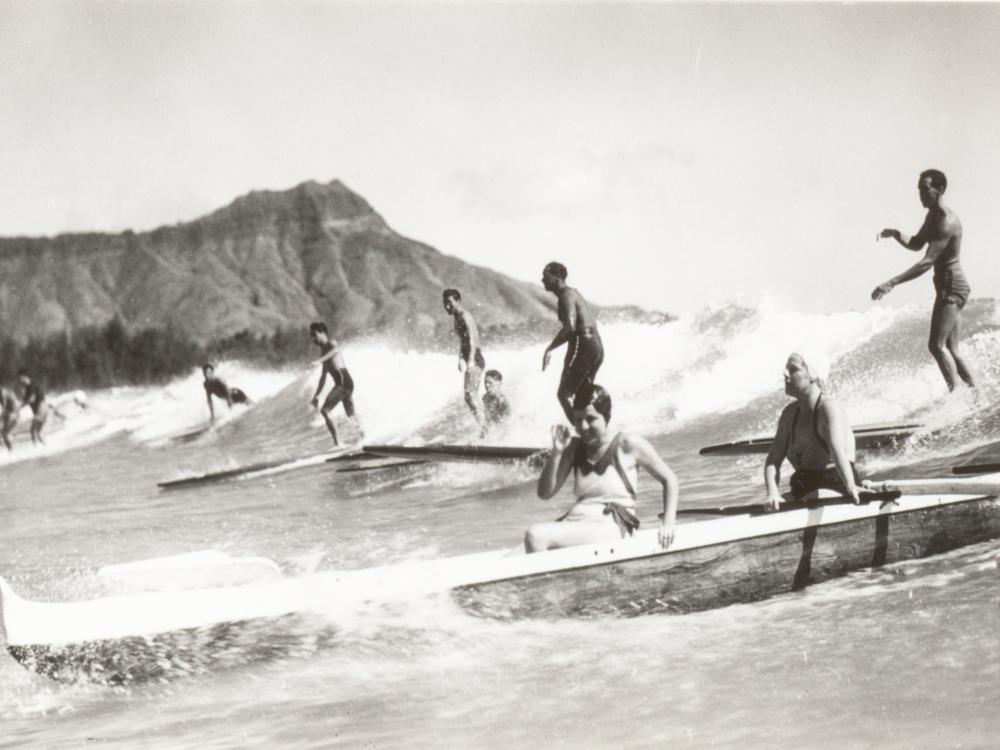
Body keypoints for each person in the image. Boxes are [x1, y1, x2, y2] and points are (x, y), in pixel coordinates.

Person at [525, 384, 678, 553]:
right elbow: (545, 493)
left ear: (606, 417)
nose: (583, 427)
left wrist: (668, 524)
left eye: (590, 419)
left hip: (613, 525)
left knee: (535, 536)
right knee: (516, 554)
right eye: (577, 420)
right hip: (577, 523)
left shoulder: (627, 444)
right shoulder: (574, 447)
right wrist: (557, 452)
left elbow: (670, 480)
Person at [872, 169, 976, 391]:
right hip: (951, 284)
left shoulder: (946, 221)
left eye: (924, 189)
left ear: (939, 189)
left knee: (936, 346)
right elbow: (918, 243)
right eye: (919, 189)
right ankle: (977, 394)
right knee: (951, 347)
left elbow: (926, 262)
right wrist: (897, 234)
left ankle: (957, 395)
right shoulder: (932, 216)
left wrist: (891, 282)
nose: (920, 194)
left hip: (951, 284)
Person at [763, 349, 862, 510]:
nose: (785, 374)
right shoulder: (789, 414)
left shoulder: (828, 407)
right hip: (804, 484)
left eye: (793, 369)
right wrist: (773, 494)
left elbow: (838, 453)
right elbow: (773, 461)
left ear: (812, 375)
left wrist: (851, 487)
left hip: (836, 482)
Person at [540, 261, 604, 423]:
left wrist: (549, 348)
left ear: (557, 277)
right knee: (583, 395)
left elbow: (570, 328)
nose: (542, 280)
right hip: (595, 345)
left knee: (563, 394)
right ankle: (596, 432)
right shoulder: (573, 294)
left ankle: (582, 433)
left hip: (584, 344)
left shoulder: (566, 296)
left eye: (545, 276)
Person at [309, 321, 362, 446]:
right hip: (346, 382)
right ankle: (364, 437)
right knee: (350, 414)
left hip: (343, 381)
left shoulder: (331, 344)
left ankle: (337, 443)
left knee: (325, 411)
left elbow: (335, 351)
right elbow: (323, 377)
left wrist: (319, 361)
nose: (313, 338)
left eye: (314, 334)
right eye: (311, 335)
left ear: (323, 333)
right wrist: (317, 395)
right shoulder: (323, 352)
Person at [443, 289, 486, 430]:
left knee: (470, 395)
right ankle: (484, 426)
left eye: (450, 302)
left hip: (475, 357)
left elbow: (472, 337)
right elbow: (463, 340)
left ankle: (484, 428)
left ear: (458, 301)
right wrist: (460, 358)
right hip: (470, 357)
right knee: (471, 395)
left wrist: (470, 359)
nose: (447, 306)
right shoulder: (457, 318)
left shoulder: (464, 316)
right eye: (445, 303)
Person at [17, 371, 48, 445]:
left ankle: (35, 449)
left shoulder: (32, 385)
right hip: (39, 410)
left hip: (41, 408)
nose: (19, 380)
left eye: (20, 378)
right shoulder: (28, 388)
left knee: (33, 430)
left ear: (24, 377)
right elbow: (24, 401)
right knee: (37, 432)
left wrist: (20, 406)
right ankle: (44, 447)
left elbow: (32, 399)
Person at [0, 384, 18, 451]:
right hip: (12, 412)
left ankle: (11, 450)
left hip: (12, 413)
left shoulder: (3, 392)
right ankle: (10, 449)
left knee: (4, 432)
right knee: (4, 432)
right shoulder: (4, 390)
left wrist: (1, 417)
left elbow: (4, 407)